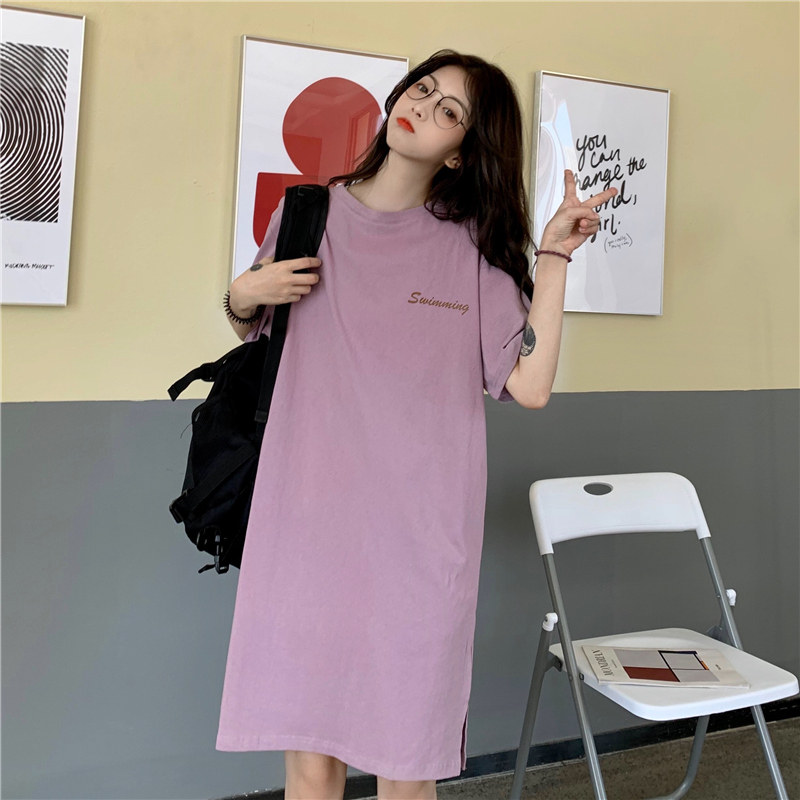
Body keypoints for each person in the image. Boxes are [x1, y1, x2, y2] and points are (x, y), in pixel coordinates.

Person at [215, 49, 617, 800]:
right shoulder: (306, 216)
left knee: (407, 767)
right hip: (304, 526)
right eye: (422, 89)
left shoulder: (471, 248)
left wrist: (554, 257)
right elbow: (255, 333)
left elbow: (528, 385)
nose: (423, 108)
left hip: (419, 546)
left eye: (449, 111)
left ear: (461, 150)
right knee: (310, 766)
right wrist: (241, 294)